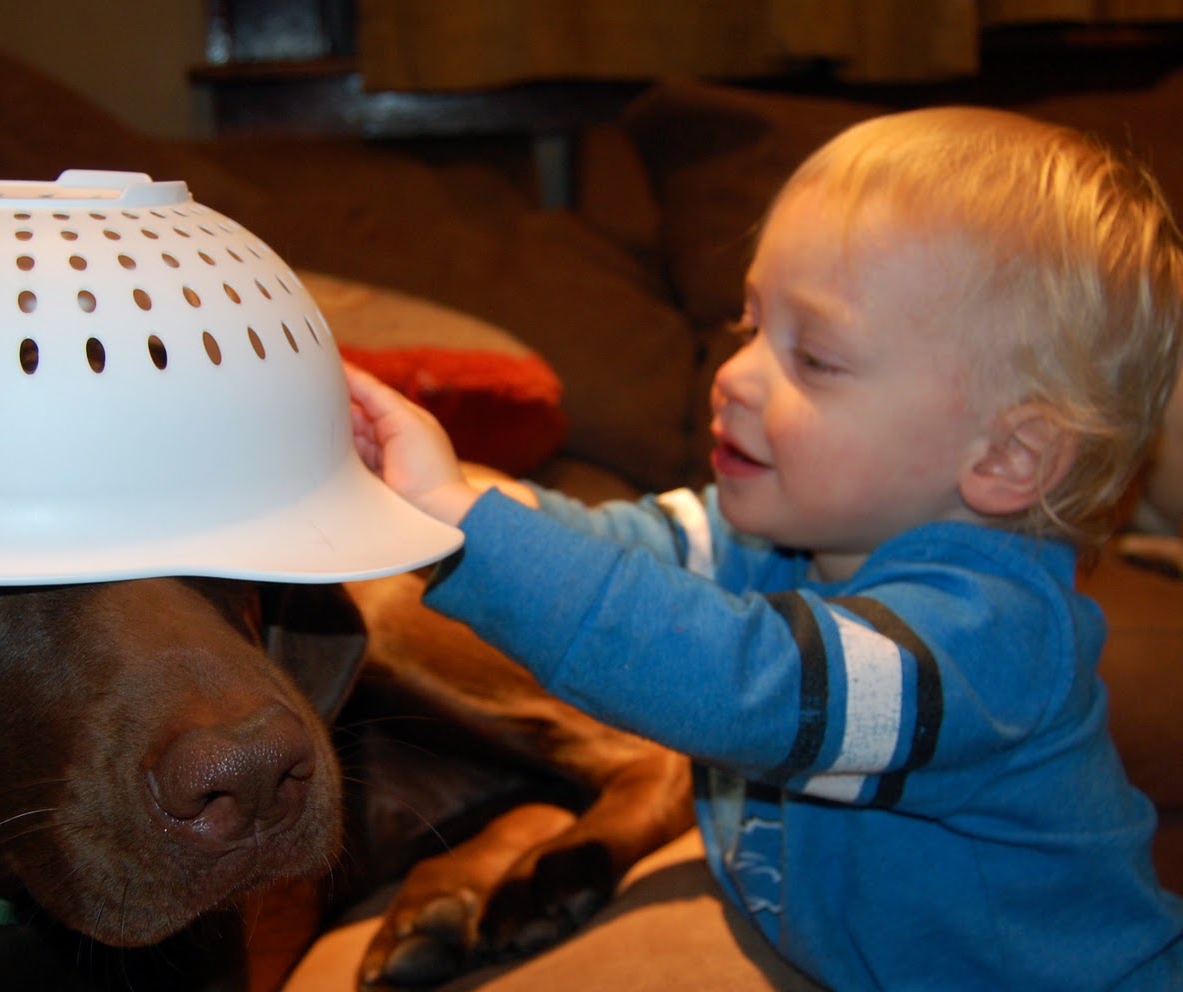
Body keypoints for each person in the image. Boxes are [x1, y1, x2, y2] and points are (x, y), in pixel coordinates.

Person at [345, 106, 1183, 990]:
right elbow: (625, 545)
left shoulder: (982, 644)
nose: (734, 374)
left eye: (813, 357)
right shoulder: (790, 538)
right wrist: (455, 499)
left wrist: (473, 539)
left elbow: (739, 682)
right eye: (749, 327)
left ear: (1006, 456)